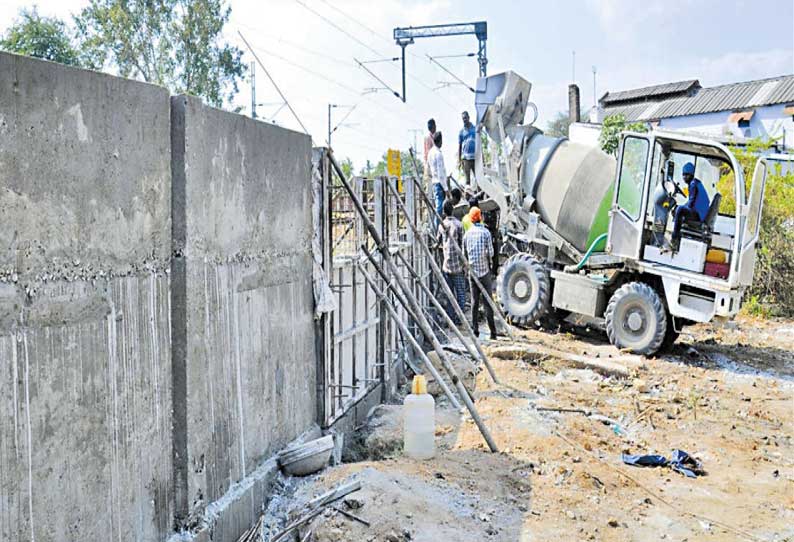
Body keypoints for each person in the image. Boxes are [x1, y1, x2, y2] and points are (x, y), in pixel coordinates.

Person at [463, 207, 498, 340]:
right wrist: (488, 264)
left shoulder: (467, 234)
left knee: (474, 302)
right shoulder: (486, 233)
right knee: (488, 302)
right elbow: (492, 253)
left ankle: (475, 331)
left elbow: (464, 254)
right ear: (480, 217)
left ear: (471, 219)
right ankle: (493, 333)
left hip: (473, 274)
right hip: (484, 273)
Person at [671, 162, 710, 250]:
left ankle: (674, 238)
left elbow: (691, 203)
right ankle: (677, 238)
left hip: (699, 214)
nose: (684, 177)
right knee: (680, 209)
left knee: (680, 210)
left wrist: (678, 209)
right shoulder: (695, 183)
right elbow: (691, 202)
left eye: (687, 175)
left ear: (692, 174)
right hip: (699, 213)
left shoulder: (693, 185)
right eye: (683, 175)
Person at [438, 200, 465, 324]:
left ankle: (450, 318)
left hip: (447, 265)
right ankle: (460, 319)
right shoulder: (459, 225)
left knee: (449, 294)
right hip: (458, 266)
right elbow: (462, 245)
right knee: (460, 293)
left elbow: (438, 242)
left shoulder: (442, 225)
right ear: (453, 210)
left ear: (444, 212)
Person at [427, 131, 448, 226]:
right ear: (439, 141)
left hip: (434, 182)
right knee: (440, 208)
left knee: (438, 207)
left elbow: (428, 169)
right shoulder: (438, 154)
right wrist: (446, 188)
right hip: (439, 183)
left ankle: (437, 228)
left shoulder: (430, 153)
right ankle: (437, 230)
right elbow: (441, 174)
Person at [458, 111, 477, 187]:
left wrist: (482, 157)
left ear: (468, 117)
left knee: (478, 178)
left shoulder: (475, 129)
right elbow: (459, 146)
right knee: (467, 181)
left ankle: (480, 195)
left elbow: (479, 143)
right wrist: (459, 160)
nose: (464, 120)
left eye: (465, 118)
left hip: (475, 157)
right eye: (463, 119)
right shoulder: (461, 132)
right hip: (466, 159)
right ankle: (468, 196)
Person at [423, 118, 436, 186]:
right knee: (429, 183)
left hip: (432, 163)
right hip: (429, 163)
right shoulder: (428, 137)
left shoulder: (434, 137)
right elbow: (428, 153)